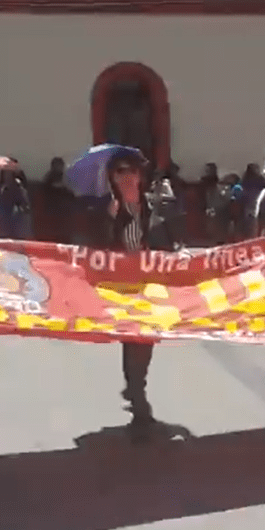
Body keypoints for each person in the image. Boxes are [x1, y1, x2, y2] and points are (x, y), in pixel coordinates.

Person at [87, 150, 177, 439]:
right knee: (132, 336)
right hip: (122, 288)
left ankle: (136, 384)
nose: (126, 177)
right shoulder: (107, 210)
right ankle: (139, 399)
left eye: (131, 171)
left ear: (140, 176)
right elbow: (93, 250)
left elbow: (168, 243)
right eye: (119, 172)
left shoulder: (153, 207)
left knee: (145, 338)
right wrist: (108, 221)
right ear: (112, 178)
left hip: (151, 285)